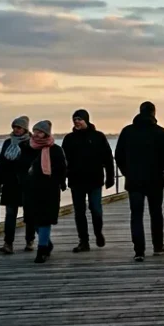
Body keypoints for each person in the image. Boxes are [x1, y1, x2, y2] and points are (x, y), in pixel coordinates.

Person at [115, 102, 164, 261]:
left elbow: (119, 155)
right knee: (156, 213)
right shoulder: (160, 132)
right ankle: (158, 246)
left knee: (136, 215)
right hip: (155, 180)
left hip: (134, 181)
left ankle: (139, 251)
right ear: (153, 113)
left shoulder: (127, 132)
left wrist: (127, 172)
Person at [61, 108, 114, 252]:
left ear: (86, 120)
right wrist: (62, 179)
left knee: (96, 209)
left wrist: (110, 177)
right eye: (74, 120)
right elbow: (62, 161)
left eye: (79, 119)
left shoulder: (98, 137)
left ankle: (98, 232)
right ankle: (83, 241)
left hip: (95, 180)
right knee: (79, 212)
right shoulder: (69, 139)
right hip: (76, 181)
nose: (76, 122)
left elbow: (108, 158)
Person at [23, 121, 67, 264]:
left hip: (49, 190)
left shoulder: (55, 150)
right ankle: (47, 242)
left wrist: (60, 182)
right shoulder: (27, 148)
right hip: (31, 189)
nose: (36, 134)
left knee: (45, 220)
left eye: (40, 132)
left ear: (46, 134)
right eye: (35, 131)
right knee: (33, 220)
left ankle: (42, 250)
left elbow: (62, 168)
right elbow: (20, 166)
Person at [0, 116, 36, 254]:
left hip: (27, 183)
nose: (16, 130)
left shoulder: (32, 143)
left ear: (25, 129)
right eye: (14, 127)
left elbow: (36, 162)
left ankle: (30, 240)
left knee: (29, 214)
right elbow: (1, 163)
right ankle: (8, 243)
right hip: (10, 183)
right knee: (10, 214)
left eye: (19, 127)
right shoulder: (8, 143)